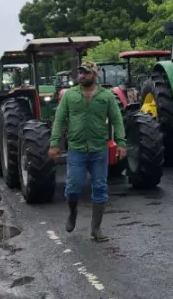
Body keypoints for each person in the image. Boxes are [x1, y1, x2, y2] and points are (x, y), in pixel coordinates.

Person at [48, 61, 126, 242]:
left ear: (94, 75)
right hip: (77, 149)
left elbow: (117, 120)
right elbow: (59, 120)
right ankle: (72, 212)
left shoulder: (106, 96)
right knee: (73, 188)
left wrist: (121, 143)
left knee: (100, 187)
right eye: (80, 73)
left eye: (86, 73)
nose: (82, 76)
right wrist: (54, 144)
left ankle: (96, 229)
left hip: (99, 149)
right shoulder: (69, 96)